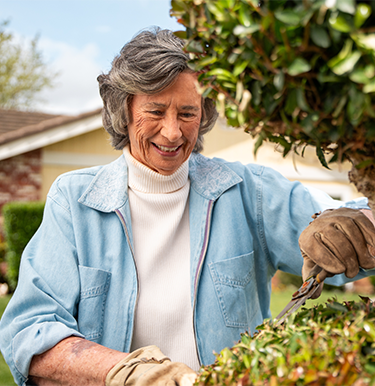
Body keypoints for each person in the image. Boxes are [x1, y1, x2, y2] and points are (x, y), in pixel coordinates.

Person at [1, 27, 375, 386]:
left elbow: (352, 229)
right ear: (124, 111)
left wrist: (358, 225)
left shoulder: (250, 192)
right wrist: (124, 372)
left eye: (187, 113)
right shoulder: (74, 201)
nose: (173, 132)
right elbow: (29, 333)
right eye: (155, 111)